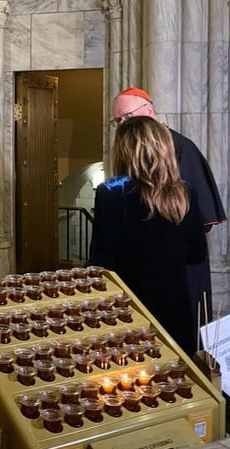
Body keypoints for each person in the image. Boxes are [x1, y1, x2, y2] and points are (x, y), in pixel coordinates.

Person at [111, 87, 227, 348]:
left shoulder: (180, 147)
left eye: (125, 117)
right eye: (117, 121)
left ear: (148, 111)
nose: (121, 125)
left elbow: (198, 227)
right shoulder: (117, 179)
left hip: (179, 272)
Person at [89, 116, 207, 352]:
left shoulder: (112, 192)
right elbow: (196, 254)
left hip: (129, 308)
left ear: (123, 151)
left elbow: (102, 263)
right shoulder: (186, 191)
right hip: (175, 306)